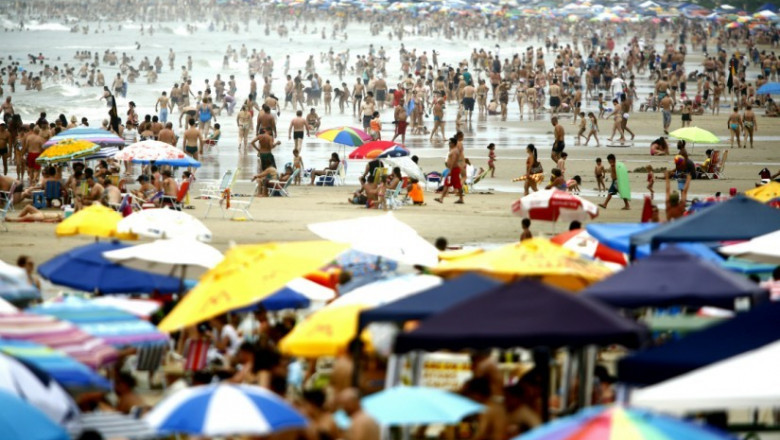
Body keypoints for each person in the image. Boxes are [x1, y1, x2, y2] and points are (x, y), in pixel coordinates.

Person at [434, 138, 464, 204]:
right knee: (448, 184)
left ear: (453, 143)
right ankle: (442, 198)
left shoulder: (455, 151)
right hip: (453, 169)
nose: (449, 144)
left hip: (453, 169)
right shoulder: (453, 150)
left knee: (450, 184)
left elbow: (453, 160)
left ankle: (442, 198)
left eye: (450, 143)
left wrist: (450, 170)